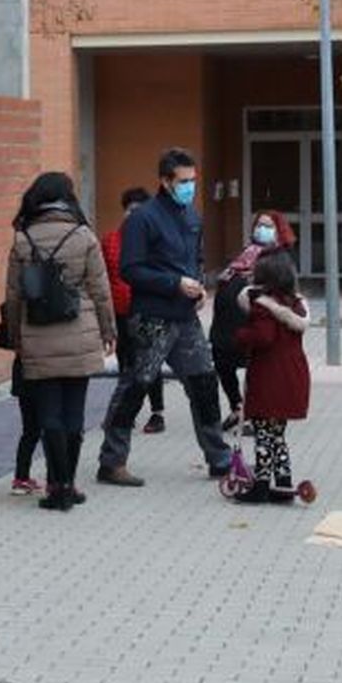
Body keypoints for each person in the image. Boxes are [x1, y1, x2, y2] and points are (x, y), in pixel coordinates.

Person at [96, 147, 232, 487]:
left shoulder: (191, 216)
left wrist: (199, 287)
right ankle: (112, 461)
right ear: (165, 181)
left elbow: (196, 260)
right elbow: (130, 269)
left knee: (203, 383)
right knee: (134, 387)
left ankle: (219, 457)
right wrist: (174, 284)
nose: (190, 187)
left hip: (185, 318)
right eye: (183, 181)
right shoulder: (144, 219)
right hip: (152, 319)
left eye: (193, 180)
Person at [3, 172, 116, 512]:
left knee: (49, 414)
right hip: (79, 334)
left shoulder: (23, 239)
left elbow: (13, 297)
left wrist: (15, 338)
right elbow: (100, 289)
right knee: (74, 415)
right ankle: (68, 483)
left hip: (38, 335)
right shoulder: (83, 236)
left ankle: (56, 488)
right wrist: (109, 330)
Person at [232, 252, 313, 504]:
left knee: (263, 434)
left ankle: (262, 486)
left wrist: (241, 335)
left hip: (270, 376)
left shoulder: (264, 306)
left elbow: (263, 337)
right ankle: (284, 482)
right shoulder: (296, 305)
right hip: (294, 373)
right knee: (277, 433)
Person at [210, 210, 297, 431]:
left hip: (253, 324)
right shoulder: (247, 253)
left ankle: (253, 412)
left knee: (255, 371)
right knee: (222, 363)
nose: (262, 229)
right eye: (259, 224)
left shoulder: (279, 258)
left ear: (279, 230)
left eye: (268, 226)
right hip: (225, 326)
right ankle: (237, 407)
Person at [102, 187, 165, 434]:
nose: (133, 215)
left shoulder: (154, 243)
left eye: (139, 211)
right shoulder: (110, 240)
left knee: (151, 361)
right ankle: (125, 410)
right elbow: (103, 276)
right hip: (120, 310)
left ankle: (157, 412)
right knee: (126, 361)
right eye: (130, 210)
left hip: (148, 310)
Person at [0, 305, 42, 495]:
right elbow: (1, 338)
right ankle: (56, 480)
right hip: (40, 374)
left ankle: (21, 478)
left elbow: (0, 339)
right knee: (44, 429)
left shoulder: (15, 308)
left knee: (30, 431)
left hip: (24, 374)